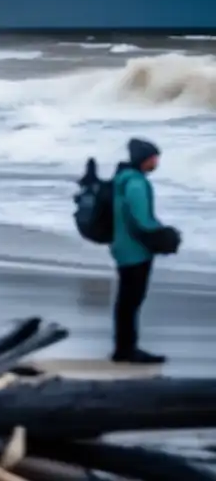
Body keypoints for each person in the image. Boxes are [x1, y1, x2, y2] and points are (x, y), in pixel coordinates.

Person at [110, 138, 169, 364]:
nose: (156, 162)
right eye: (154, 158)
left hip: (122, 247)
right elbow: (142, 220)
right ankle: (127, 350)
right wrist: (165, 236)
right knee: (131, 301)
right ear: (145, 160)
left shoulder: (122, 179)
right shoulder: (135, 183)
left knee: (126, 301)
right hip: (135, 251)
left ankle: (122, 348)